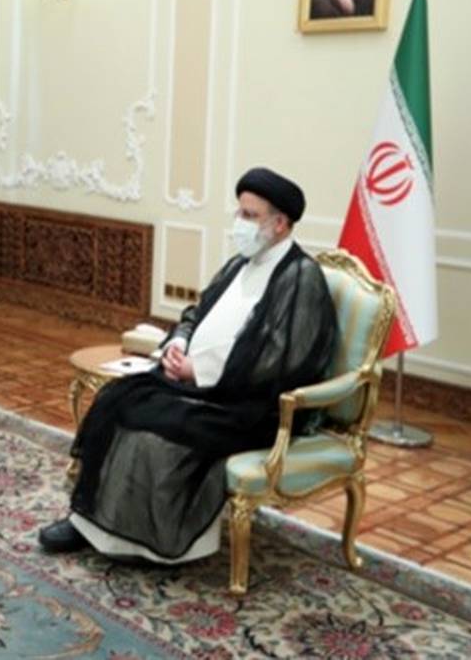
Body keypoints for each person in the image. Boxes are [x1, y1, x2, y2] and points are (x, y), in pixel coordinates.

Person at [38, 167, 337, 563]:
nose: (239, 222)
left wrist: (201, 371)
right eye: (239, 212)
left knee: (159, 428)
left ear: (280, 224)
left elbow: (282, 360)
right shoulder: (239, 264)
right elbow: (196, 312)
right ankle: (88, 522)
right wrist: (178, 344)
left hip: (251, 406)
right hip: (202, 385)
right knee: (117, 400)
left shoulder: (301, 277)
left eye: (250, 215)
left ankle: (141, 541)